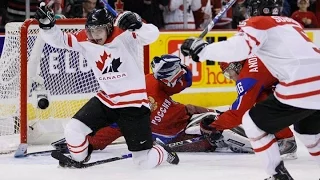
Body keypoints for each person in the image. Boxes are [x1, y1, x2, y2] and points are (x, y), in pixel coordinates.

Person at [180, 0, 320, 179]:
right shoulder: (291, 23)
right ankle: (287, 137)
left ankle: (276, 175)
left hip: (301, 83)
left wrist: (203, 50)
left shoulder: (257, 25)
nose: (230, 75)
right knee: (307, 133)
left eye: (230, 70)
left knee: (252, 123)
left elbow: (238, 48)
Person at [35, 6, 179, 168]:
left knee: (143, 163)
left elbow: (152, 35)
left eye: (98, 31)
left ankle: (162, 151)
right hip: (107, 99)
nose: (93, 37)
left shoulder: (124, 34)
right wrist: (47, 26)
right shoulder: (85, 39)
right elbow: (58, 40)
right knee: (72, 130)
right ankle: (80, 157)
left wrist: (139, 25)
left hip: (133, 104)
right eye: (90, 31)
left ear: (109, 28)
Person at [53, 54, 252, 153]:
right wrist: (85, 143)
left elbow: (188, 103)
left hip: (175, 129)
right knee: (215, 133)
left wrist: (214, 113)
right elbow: (116, 125)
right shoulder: (142, 95)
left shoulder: (156, 82)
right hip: (172, 137)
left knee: (213, 125)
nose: (183, 78)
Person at [200, 57, 297, 158]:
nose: (231, 78)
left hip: (303, 88)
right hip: (302, 78)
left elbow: (238, 113)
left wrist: (214, 126)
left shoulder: (248, 78)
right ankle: (286, 139)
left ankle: (287, 142)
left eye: (229, 73)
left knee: (261, 111)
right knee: (262, 99)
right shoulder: (252, 59)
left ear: (236, 66)